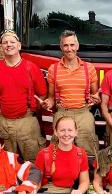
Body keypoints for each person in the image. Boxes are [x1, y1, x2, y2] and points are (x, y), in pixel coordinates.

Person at [43, 30, 100, 178]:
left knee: (88, 149)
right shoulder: (53, 69)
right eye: (66, 45)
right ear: (61, 47)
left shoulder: (89, 68)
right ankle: (62, 181)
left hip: (83, 113)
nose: (69, 49)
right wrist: (47, 103)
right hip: (62, 113)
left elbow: (95, 96)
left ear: (78, 45)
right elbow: (51, 98)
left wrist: (96, 99)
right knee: (59, 149)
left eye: (72, 45)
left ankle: (90, 184)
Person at [0, 30, 47, 162]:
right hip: (2, 123)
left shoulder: (32, 68)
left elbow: (42, 94)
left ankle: (30, 183)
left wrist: (29, 109)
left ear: (19, 45)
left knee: (33, 162)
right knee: (4, 161)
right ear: (1, 46)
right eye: (5, 42)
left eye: (12, 42)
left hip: (27, 122)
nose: (9, 45)